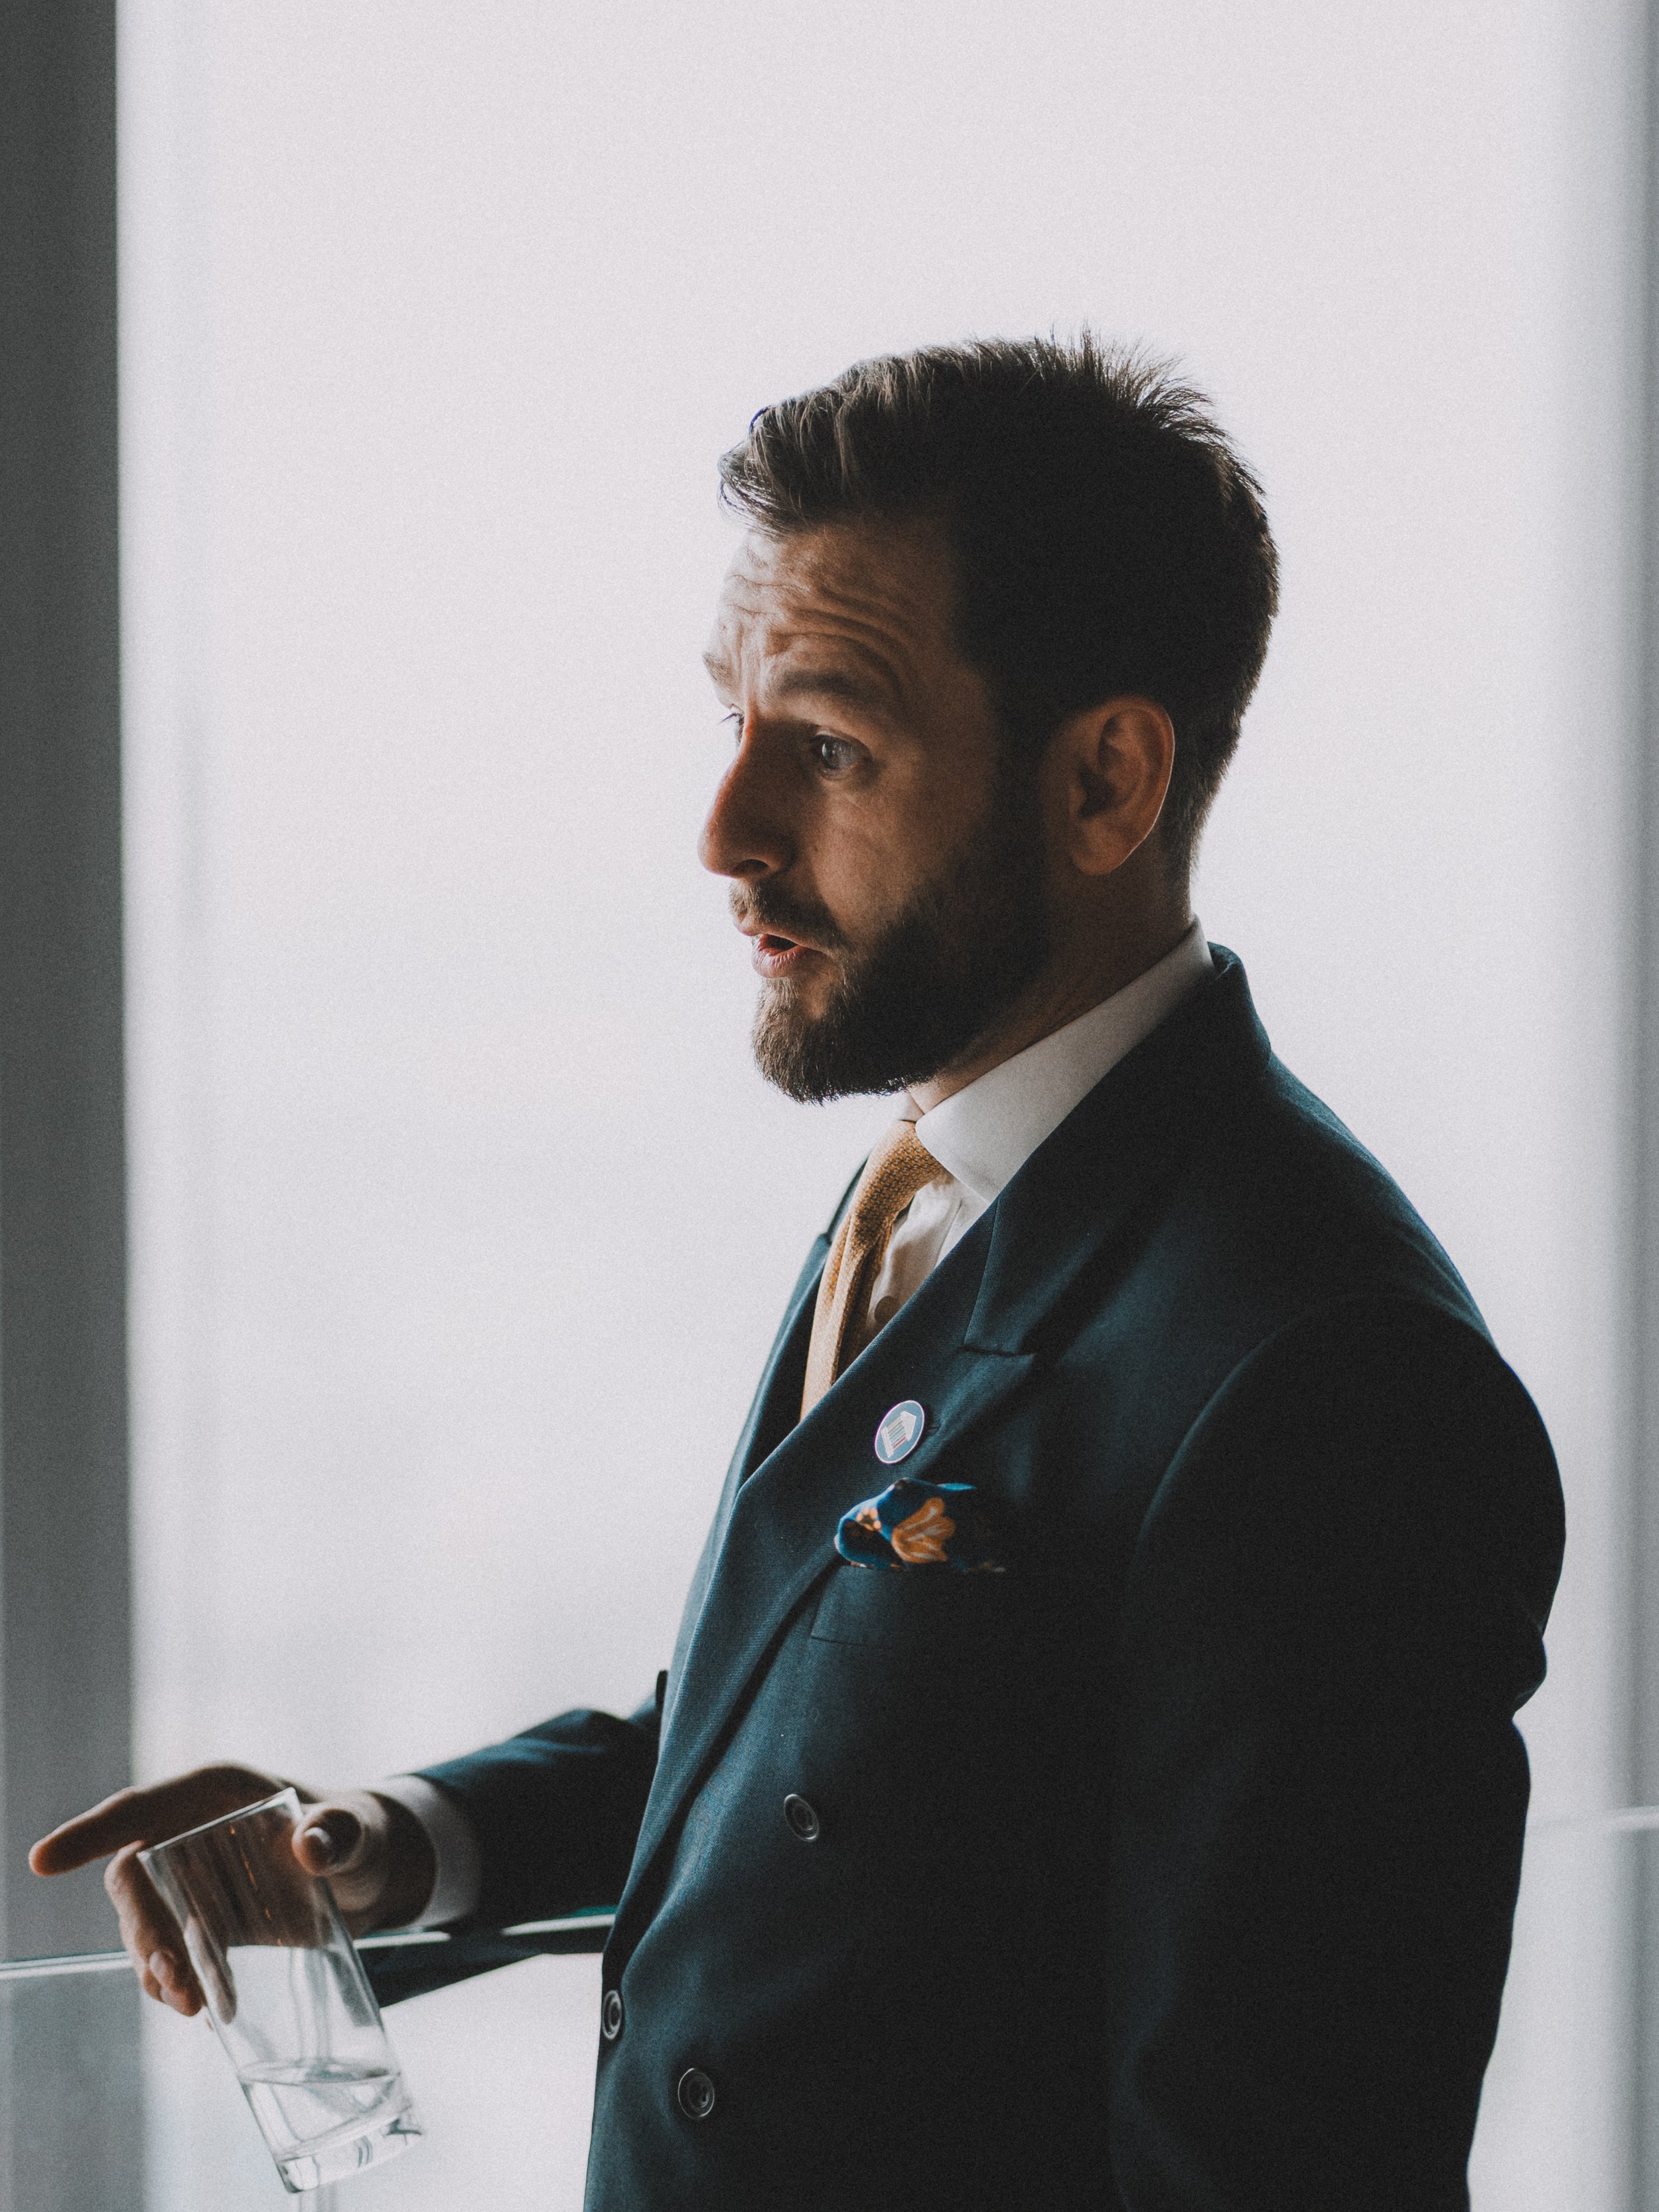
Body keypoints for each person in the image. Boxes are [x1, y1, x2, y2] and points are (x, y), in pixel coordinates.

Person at [34, 335, 1565, 2210]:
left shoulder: (1324, 1375)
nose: (724, 833)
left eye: (827, 745)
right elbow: (841, 1768)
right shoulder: (944, 1183)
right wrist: (381, 1849)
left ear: (1103, 783)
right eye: (732, 720)